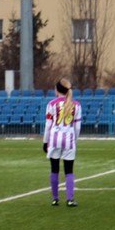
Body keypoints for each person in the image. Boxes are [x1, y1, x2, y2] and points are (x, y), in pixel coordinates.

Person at [43, 78, 82, 207]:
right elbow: (77, 127)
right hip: (69, 138)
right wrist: (74, 140)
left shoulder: (51, 104)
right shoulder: (76, 105)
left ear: (57, 90)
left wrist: (45, 141)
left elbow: (48, 125)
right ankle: (70, 199)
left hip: (54, 138)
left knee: (54, 169)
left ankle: (55, 198)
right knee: (69, 170)